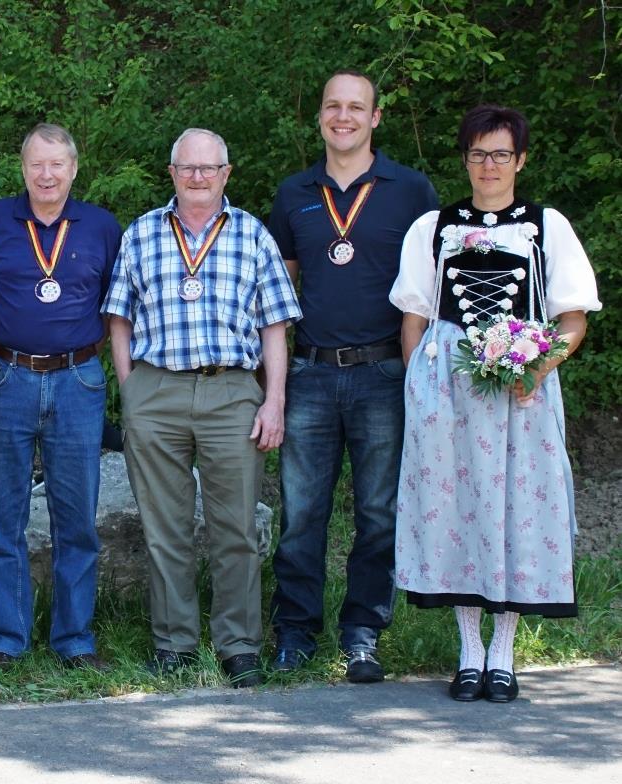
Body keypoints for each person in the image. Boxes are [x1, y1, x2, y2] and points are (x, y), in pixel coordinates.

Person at [390, 104, 600, 703]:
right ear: (465, 159)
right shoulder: (433, 227)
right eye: (478, 153)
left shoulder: (546, 225)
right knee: (456, 508)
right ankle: (469, 652)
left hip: (520, 393)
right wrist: (420, 390)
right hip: (447, 391)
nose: (489, 165)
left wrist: (538, 367)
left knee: (515, 507)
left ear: (520, 160)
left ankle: (503, 653)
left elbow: (573, 319)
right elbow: (414, 317)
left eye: (501, 154)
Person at [103, 128, 301, 686]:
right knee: (164, 527)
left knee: (234, 526)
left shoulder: (253, 235)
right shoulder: (142, 232)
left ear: (225, 174)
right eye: (186, 167)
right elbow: (118, 317)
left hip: (231, 392)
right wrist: (132, 392)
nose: (197, 177)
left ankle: (239, 645)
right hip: (156, 391)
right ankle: (175, 644)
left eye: (208, 168)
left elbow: (275, 326)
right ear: (171, 173)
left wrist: (274, 401)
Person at [267, 70, 438, 682]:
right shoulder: (293, 193)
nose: (344, 117)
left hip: (384, 374)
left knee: (379, 513)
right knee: (301, 513)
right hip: (311, 373)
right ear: (319, 116)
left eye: (356, 107)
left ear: (375, 117)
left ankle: (363, 633)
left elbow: (431, 290)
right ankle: (295, 631)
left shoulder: (411, 191)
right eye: (333, 106)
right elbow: (278, 292)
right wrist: (272, 383)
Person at [0, 123, 121, 672]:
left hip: (78, 380)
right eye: (37, 163)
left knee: (76, 517)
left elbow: (114, 308)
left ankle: (75, 639)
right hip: (6, 377)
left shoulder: (102, 227)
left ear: (74, 169)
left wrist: (77, 355)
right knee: (1, 515)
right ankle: (8, 639)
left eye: (57, 164)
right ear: (23, 167)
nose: (47, 174)